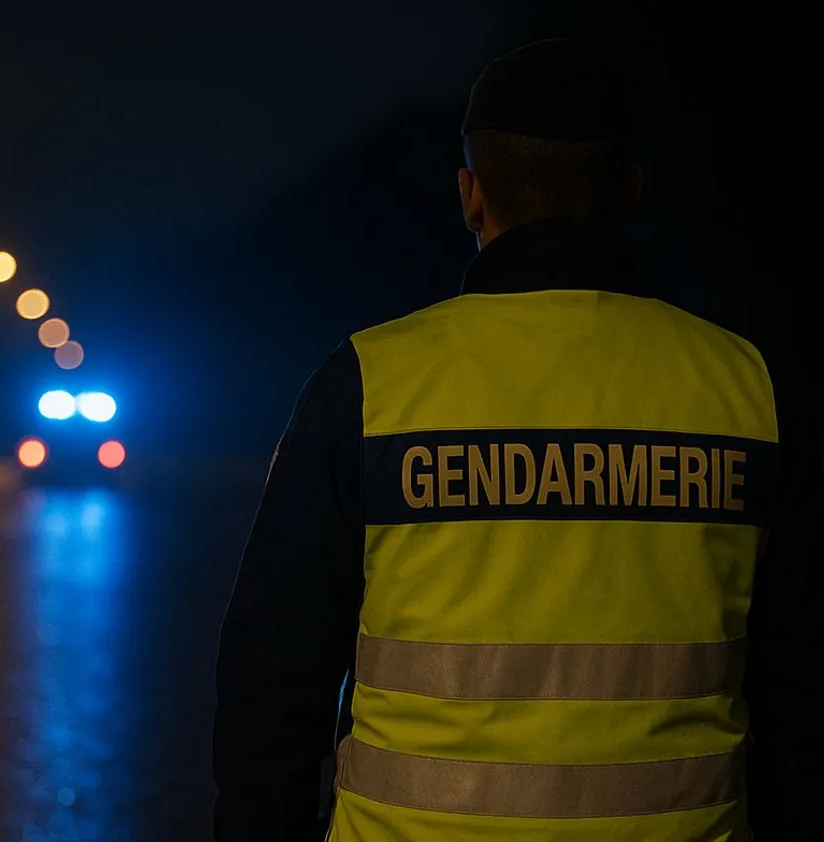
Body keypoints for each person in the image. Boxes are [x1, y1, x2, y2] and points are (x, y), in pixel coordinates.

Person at [212, 38, 823, 842]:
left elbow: (272, 684)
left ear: (471, 194)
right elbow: (803, 697)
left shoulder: (368, 385)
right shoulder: (751, 392)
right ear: (630, 191)